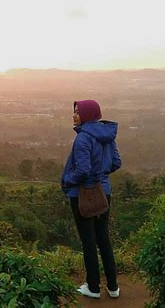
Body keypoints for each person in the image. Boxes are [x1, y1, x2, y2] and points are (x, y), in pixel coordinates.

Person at [61, 99, 121, 299]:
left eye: (77, 112)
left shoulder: (83, 139)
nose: (74, 115)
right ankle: (113, 287)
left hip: (83, 194)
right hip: (104, 193)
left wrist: (67, 180)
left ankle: (93, 287)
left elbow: (83, 170)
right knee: (103, 238)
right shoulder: (108, 136)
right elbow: (116, 162)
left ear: (87, 115)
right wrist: (102, 176)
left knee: (88, 240)